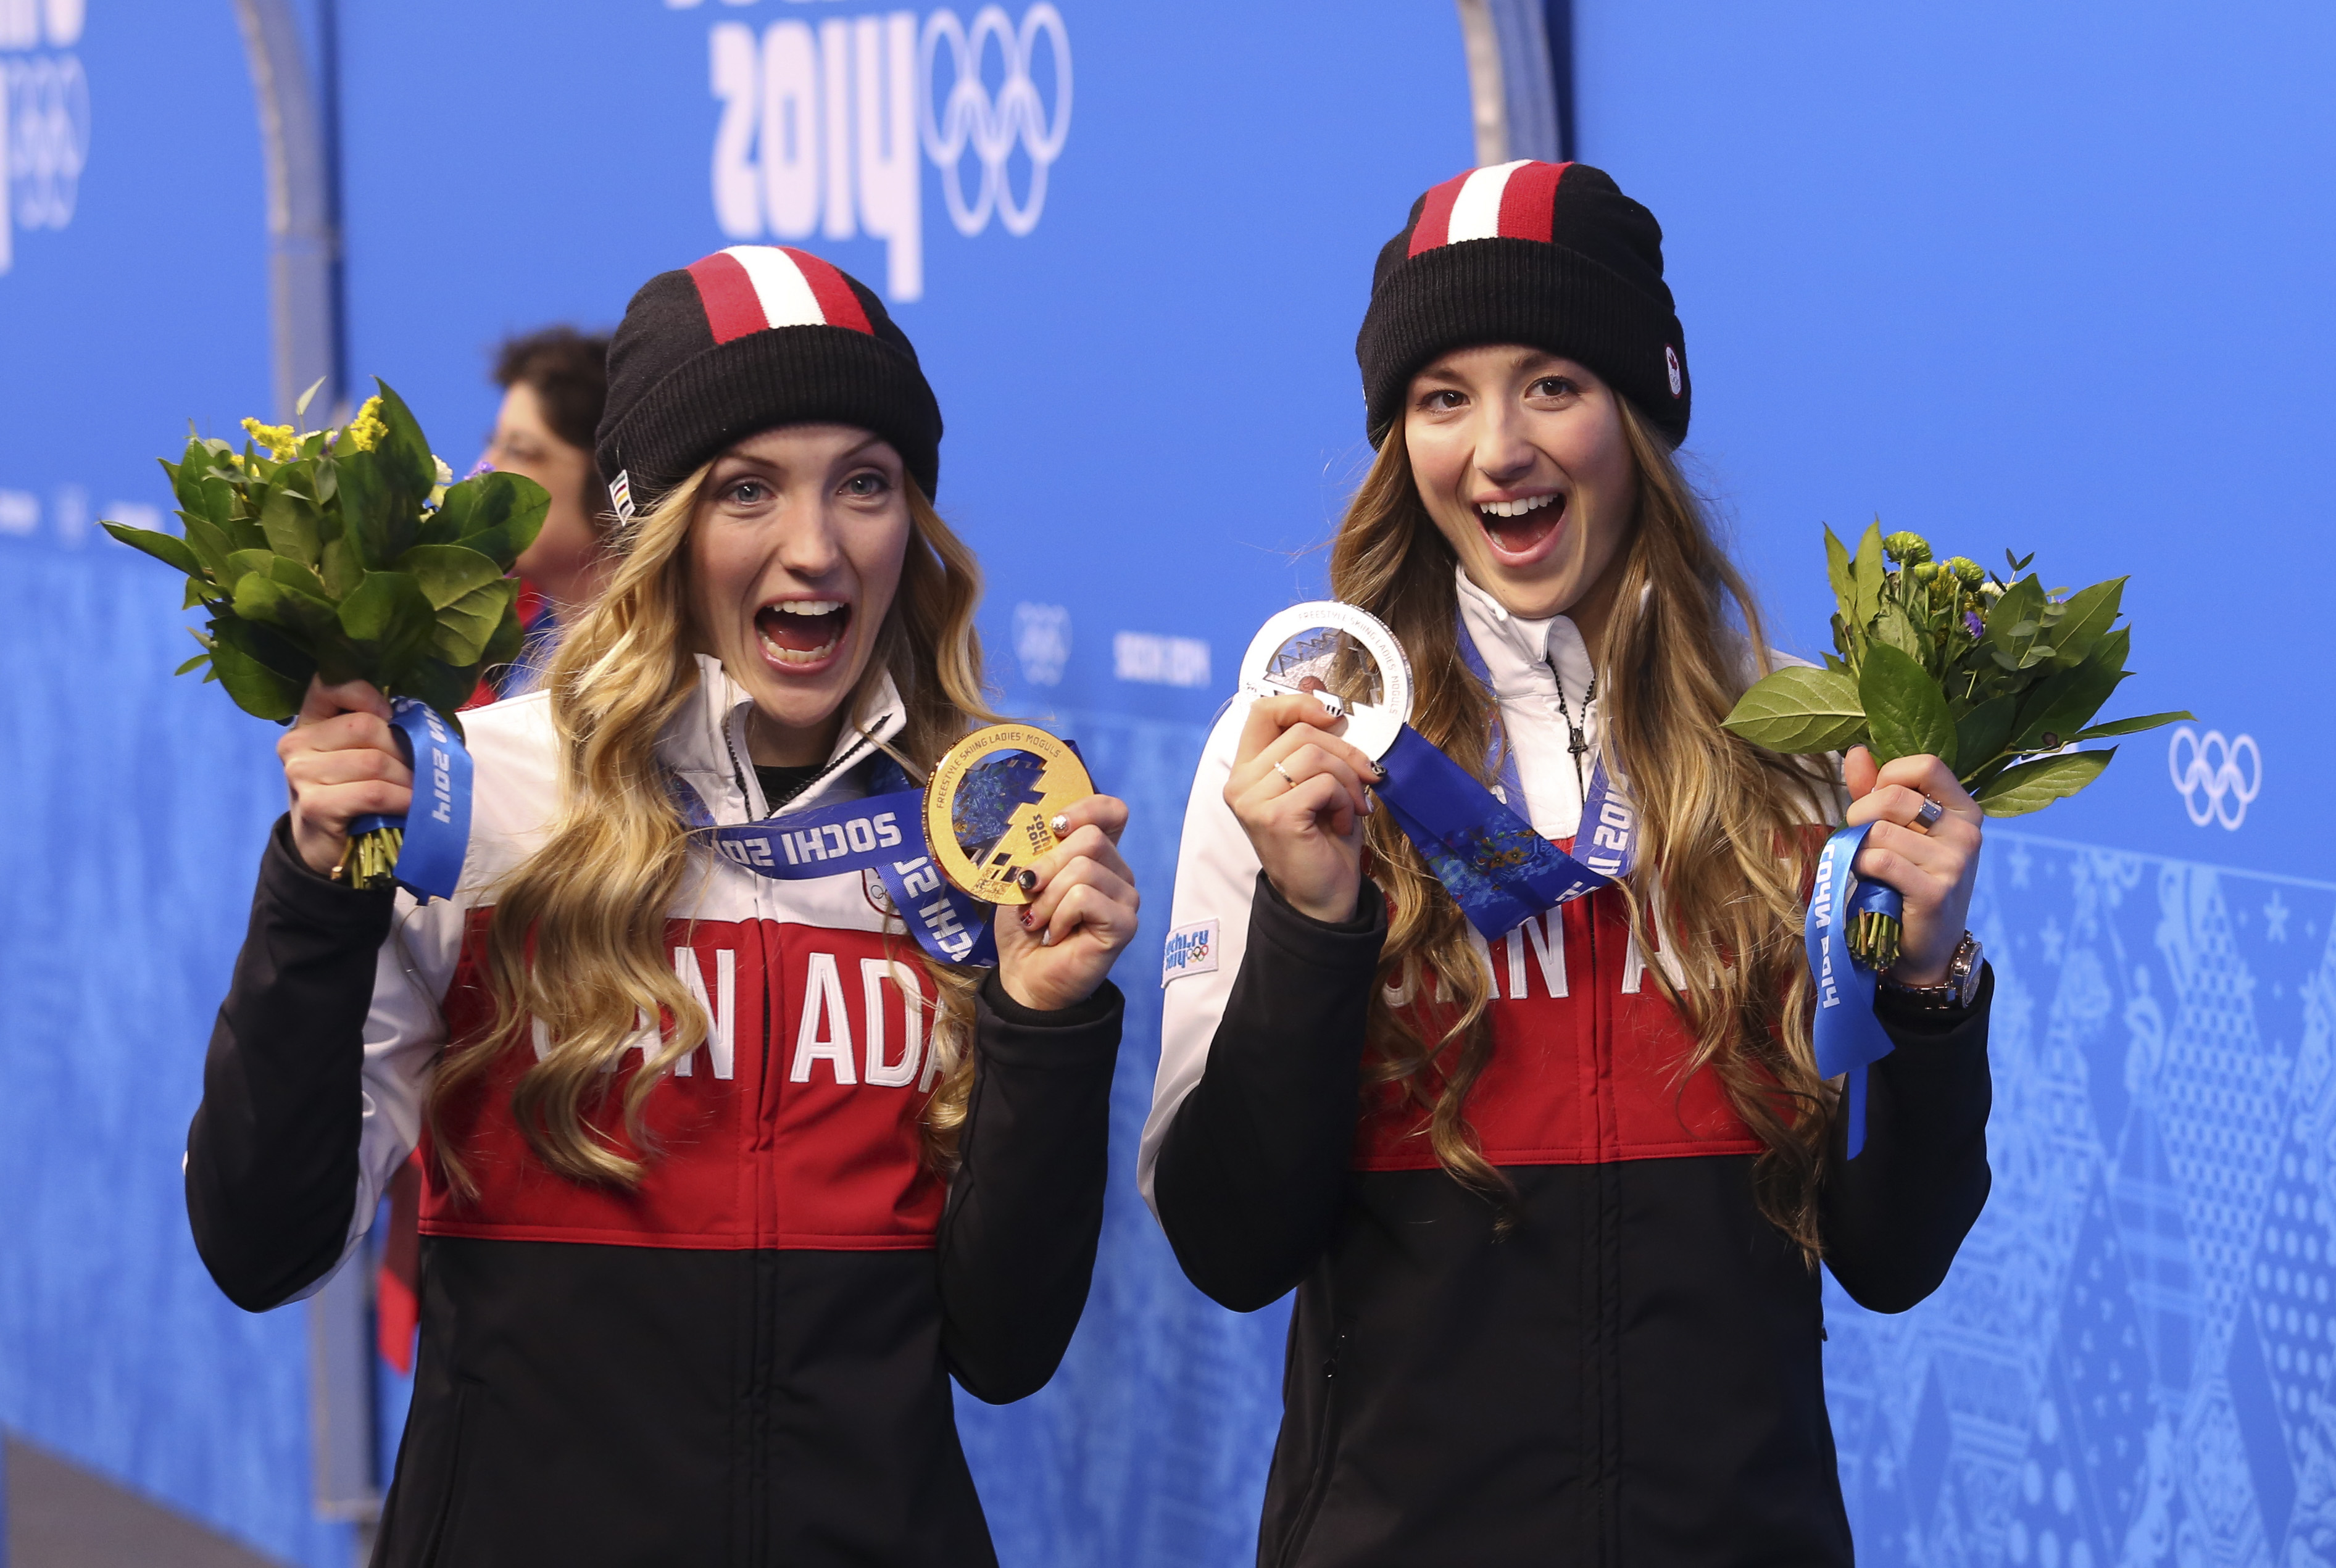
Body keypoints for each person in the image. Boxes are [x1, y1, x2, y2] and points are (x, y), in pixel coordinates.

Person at [186, 245, 1139, 1566]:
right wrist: (315, 893)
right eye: (747, 489)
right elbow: (261, 1243)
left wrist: (1043, 1020)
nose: (815, 547)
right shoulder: (480, 800)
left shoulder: (966, 834)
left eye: (863, 484)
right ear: (658, 523)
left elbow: (1002, 1348)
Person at [1141, 161, 1993, 1565]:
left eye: (1550, 384)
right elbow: (1229, 1247)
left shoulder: (1791, 745)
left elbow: (1887, 1254)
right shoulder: (1301, 748)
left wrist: (1925, 985)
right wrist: (1312, 923)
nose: (1494, 449)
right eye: (1440, 397)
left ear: (1640, 414)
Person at [478, 325, 614, 696]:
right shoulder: (519, 649)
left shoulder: (663, 681)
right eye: (494, 445)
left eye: (519, 452)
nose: (482, 471)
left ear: (611, 483)